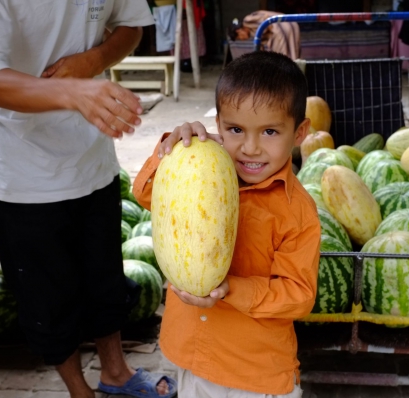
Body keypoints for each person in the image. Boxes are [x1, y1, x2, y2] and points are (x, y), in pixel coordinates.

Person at [0, 1, 176, 397]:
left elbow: (132, 24)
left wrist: (95, 58)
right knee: (47, 300)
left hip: (92, 157)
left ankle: (115, 372)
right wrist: (70, 92)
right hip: (22, 170)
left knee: (105, 279)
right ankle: (78, 389)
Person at [133, 51, 321, 397]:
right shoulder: (199, 169)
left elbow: (298, 296)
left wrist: (232, 290)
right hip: (192, 359)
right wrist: (173, 150)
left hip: (255, 374)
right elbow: (145, 194)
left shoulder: (299, 212)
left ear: (299, 132)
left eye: (269, 131)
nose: (250, 148)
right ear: (217, 125)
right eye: (236, 129)